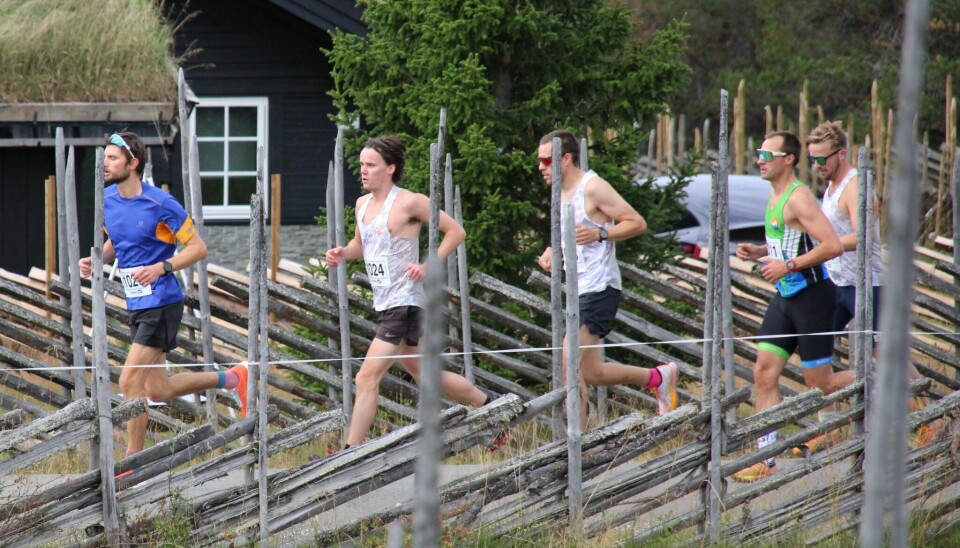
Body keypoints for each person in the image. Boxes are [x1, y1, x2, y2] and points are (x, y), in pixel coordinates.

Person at [79, 132, 248, 469]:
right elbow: (119, 240)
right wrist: (97, 258)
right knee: (158, 390)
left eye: (112, 158)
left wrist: (162, 267)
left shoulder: (161, 203)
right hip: (136, 304)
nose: (105, 164)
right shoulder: (108, 199)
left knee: (129, 382)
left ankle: (131, 465)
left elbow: (199, 248)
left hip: (163, 302)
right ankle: (234, 378)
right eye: (105, 157)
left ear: (133, 163)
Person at [325, 135, 500, 449]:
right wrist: (342, 253)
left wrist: (428, 264)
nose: (363, 171)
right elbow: (361, 245)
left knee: (365, 378)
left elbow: (457, 232)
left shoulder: (409, 201)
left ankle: (349, 452)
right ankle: (492, 409)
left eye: (371, 165)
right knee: (428, 375)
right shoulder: (362, 204)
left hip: (404, 303)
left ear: (390, 168)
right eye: (362, 164)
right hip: (387, 302)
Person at [535, 129, 679, 427]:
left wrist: (601, 232)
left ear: (566, 159)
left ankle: (579, 445)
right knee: (592, 373)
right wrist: (552, 250)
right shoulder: (561, 192)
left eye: (546, 161)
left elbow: (636, 222)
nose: (541, 168)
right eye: (539, 161)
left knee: (568, 361)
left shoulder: (593, 187)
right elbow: (570, 234)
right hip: (579, 289)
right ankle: (658, 377)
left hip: (600, 287)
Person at [805, 121, 934, 450]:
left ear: (841, 154)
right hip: (836, 284)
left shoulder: (854, 185)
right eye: (812, 160)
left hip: (869, 285)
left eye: (822, 159)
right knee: (813, 349)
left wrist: (827, 244)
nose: (817, 166)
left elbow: (864, 236)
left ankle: (929, 420)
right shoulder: (831, 187)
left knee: (886, 355)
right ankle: (829, 426)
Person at [731, 131, 846, 482]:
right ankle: (765, 457)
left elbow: (832, 246)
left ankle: (891, 382)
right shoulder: (773, 193)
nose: (760, 160)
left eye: (768, 154)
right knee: (763, 373)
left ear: (789, 159)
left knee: (821, 385)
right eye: (758, 153)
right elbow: (790, 242)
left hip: (813, 297)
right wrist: (760, 250)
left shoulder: (799, 198)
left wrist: (789, 266)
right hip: (785, 298)